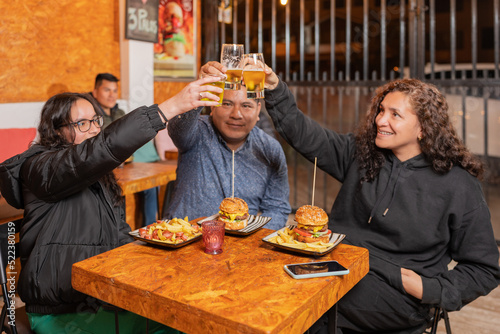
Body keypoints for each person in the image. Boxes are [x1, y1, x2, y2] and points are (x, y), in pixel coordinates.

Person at [201, 62, 500, 333]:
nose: (381, 120)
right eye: (381, 110)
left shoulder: (458, 184)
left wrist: (428, 288)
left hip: (397, 295)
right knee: (273, 284)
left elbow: (484, 268)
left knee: (305, 305)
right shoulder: (361, 154)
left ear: (424, 127)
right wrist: (274, 87)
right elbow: (305, 134)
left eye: (395, 114)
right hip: (336, 268)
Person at [0, 75, 224, 334]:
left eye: (96, 120)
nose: (95, 129)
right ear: (57, 130)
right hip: (63, 313)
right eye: (82, 123)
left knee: (188, 318)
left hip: (102, 299)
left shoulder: (99, 177)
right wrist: (170, 107)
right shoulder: (41, 169)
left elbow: (118, 240)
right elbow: (94, 152)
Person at [163, 86, 291, 230]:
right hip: (182, 240)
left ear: (258, 110)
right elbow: (177, 128)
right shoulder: (196, 131)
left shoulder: (270, 148)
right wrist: (200, 91)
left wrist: (253, 241)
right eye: (227, 104)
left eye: (246, 105)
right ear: (213, 107)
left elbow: (277, 209)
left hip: (241, 248)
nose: (236, 114)